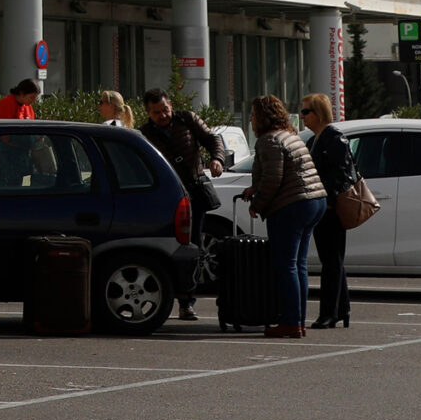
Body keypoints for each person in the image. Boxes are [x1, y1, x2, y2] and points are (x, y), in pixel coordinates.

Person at [239, 94, 326, 339]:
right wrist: (255, 189)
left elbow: (273, 179)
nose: (252, 120)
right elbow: (286, 171)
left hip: (292, 205)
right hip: (314, 201)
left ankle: (290, 322)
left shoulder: (269, 140)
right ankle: (298, 320)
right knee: (298, 265)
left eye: (254, 115)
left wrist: (257, 203)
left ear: (264, 118)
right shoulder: (291, 136)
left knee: (285, 265)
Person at [140, 90, 226, 322]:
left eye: (165, 110)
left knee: (193, 248)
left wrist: (217, 158)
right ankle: (167, 299)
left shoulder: (186, 119)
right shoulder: (144, 134)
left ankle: (186, 302)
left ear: (171, 105)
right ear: (148, 112)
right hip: (167, 198)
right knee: (169, 249)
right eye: (156, 112)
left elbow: (212, 139)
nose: (163, 115)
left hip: (194, 194)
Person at [299, 93, 352, 330]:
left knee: (331, 261)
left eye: (306, 111)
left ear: (319, 113)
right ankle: (342, 309)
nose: (302, 116)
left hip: (331, 207)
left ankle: (329, 313)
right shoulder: (313, 140)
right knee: (331, 259)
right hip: (320, 206)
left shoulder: (333, 137)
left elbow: (343, 172)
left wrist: (329, 198)